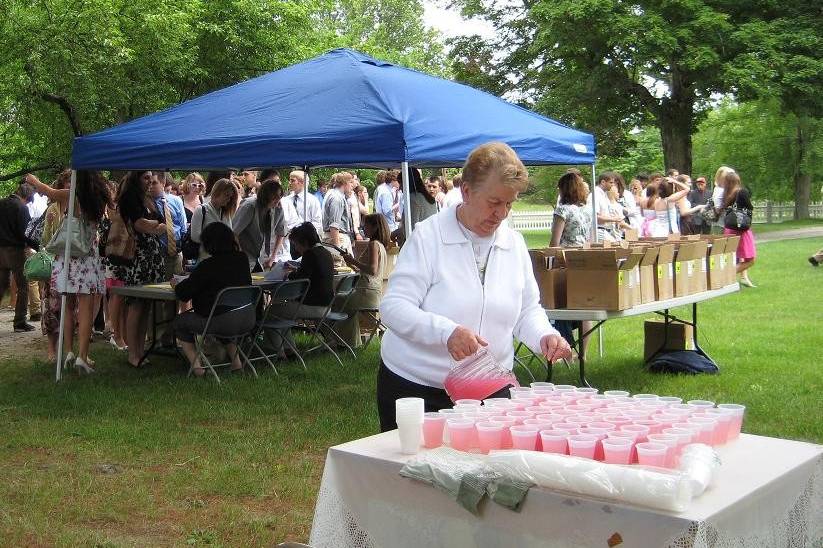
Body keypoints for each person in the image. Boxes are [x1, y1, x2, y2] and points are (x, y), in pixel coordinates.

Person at [377, 142, 572, 431]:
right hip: (418, 387)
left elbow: (527, 309)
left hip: (489, 387)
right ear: (466, 192)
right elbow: (393, 308)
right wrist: (447, 333)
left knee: (489, 473)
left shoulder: (513, 243)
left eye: (509, 203)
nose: (501, 214)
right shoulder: (428, 237)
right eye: (494, 202)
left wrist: (544, 335)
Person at [26, 171, 109, 373]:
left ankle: (69, 351)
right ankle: (82, 355)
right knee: (87, 308)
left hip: (68, 255)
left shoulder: (72, 195)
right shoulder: (100, 196)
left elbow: (48, 191)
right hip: (88, 255)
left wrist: (33, 180)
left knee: (68, 306)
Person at [172, 222, 252, 376]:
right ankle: (236, 364)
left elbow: (183, 293)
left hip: (220, 320)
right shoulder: (242, 259)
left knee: (179, 322)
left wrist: (176, 284)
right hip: (246, 318)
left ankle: (198, 369)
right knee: (223, 313)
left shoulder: (207, 266)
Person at [265, 223, 336, 356]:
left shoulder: (310, 254)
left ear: (304, 242)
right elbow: (310, 274)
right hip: (327, 305)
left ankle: (279, 353)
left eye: (296, 244)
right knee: (283, 312)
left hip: (312, 305)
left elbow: (300, 279)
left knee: (271, 312)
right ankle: (289, 349)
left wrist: (289, 274)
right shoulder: (326, 253)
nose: (296, 248)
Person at [550, 170, 594, 359]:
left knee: (561, 308)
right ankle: (582, 354)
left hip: (565, 262)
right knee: (584, 310)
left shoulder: (563, 211)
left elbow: (555, 242)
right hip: (584, 259)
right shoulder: (585, 211)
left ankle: (565, 350)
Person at [337, 214, 390, 348]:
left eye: (366, 225)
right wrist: (351, 263)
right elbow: (368, 270)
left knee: (335, 302)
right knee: (345, 307)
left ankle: (341, 341)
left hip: (366, 292)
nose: (363, 228)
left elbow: (372, 269)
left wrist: (353, 261)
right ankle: (350, 342)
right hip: (374, 293)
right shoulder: (381, 246)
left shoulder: (373, 244)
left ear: (375, 227)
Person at [0, 181, 39, 332]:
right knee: (23, 286)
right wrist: (38, 247)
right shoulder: (21, 208)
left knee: (1, 285)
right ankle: (20, 322)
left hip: (0, 250)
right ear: (26, 197)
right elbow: (26, 233)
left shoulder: (1, 203)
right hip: (15, 251)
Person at [232, 179, 285, 270]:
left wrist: (273, 257)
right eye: (275, 197)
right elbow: (234, 233)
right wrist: (241, 256)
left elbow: (281, 233)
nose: (277, 201)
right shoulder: (249, 206)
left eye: (279, 197)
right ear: (265, 195)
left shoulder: (278, 208)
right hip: (246, 258)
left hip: (263, 259)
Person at [721, 171, 757, 287]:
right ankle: (725, 275)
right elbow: (749, 207)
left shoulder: (726, 194)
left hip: (729, 229)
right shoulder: (742, 192)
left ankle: (730, 277)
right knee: (750, 260)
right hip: (741, 230)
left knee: (733, 257)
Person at [190, 178, 239, 259]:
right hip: (206, 259)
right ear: (217, 192)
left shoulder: (226, 213)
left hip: (224, 259)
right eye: (226, 195)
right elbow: (195, 236)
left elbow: (230, 235)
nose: (229, 199)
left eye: (230, 197)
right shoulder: (201, 210)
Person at [322, 171, 355, 255]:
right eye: (351, 182)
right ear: (344, 183)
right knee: (341, 266)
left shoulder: (335, 195)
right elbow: (334, 225)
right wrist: (337, 249)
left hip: (336, 236)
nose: (353, 185)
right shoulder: (337, 198)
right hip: (337, 237)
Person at [586, 171, 625, 241]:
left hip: (604, 230)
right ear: (603, 182)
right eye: (611, 182)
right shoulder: (595, 195)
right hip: (597, 230)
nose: (613, 185)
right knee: (615, 246)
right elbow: (595, 217)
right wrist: (614, 219)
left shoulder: (603, 195)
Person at [286, 170, 323, 236]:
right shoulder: (287, 200)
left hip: (305, 239)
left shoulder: (312, 200)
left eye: (292, 180)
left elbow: (317, 222)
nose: (289, 183)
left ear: (302, 182)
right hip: (288, 238)